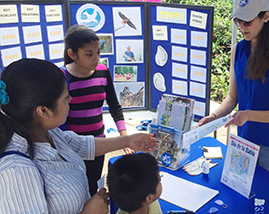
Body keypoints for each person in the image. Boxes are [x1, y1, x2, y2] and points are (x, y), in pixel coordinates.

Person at [0, 58, 158, 213]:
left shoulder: (46, 132)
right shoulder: (16, 171)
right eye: (66, 98)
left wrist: (128, 140)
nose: (71, 100)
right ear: (43, 111)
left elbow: (82, 145)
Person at [198, 0, 269, 181]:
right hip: (244, 138)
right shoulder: (238, 49)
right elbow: (232, 96)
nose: (242, 27)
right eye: (238, 21)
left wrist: (248, 115)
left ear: (266, 17)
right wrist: (214, 117)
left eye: (247, 21)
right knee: (241, 193)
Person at [62, 24, 134, 196]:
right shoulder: (62, 77)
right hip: (72, 147)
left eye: (98, 53)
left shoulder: (103, 72)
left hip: (98, 144)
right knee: (75, 190)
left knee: (93, 184)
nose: (96, 59)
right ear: (72, 54)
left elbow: (115, 105)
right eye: (89, 54)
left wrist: (125, 138)